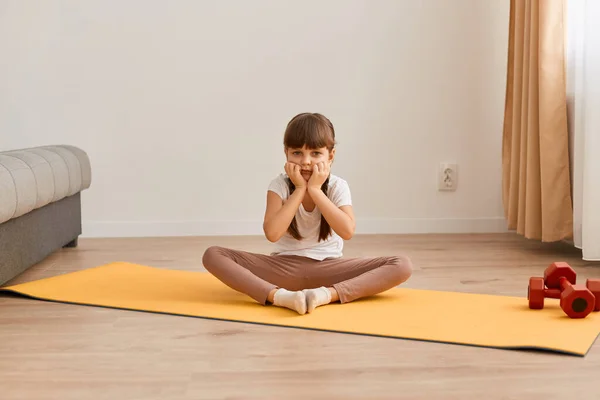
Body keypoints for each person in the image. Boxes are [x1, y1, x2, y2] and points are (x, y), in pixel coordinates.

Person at [202, 112, 413, 314]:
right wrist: (300, 190)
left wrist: (315, 190)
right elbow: (272, 233)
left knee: (401, 264)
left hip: (329, 270)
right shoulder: (279, 186)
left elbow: (347, 231)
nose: (306, 162)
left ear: (330, 156)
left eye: (315, 153)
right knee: (213, 254)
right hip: (283, 269)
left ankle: (326, 295)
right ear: (286, 153)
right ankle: (280, 297)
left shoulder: (338, 186)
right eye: (297, 153)